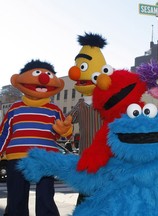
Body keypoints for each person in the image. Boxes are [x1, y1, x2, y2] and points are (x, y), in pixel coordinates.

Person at [0, 59, 73, 216]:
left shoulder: (54, 110)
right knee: (16, 196)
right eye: (37, 74)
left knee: (45, 196)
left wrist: (66, 130)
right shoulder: (15, 108)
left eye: (48, 75)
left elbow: (61, 132)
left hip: (44, 158)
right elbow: (5, 132)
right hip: (17, 157)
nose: (43, 79)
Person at [67, 32, 107, 205]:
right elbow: (68, 119)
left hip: (107, 158)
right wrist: (63, 125)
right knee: (85, 195)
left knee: (105, 194)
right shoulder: (81, 104)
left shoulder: (107, 101)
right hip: (86, 157)